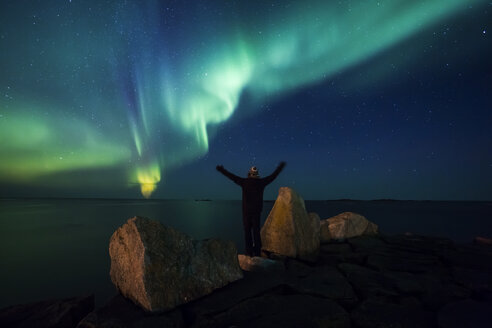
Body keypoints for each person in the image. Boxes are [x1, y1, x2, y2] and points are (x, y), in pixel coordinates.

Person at [216, 161, 286, 256]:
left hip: (246, 212)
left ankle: (249, 252)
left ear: (249, 173)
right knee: (256, 232)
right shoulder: (261, 182)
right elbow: (273, 176)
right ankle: (257, 252)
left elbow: (232, 177)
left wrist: (221, 170)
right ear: (257, 174)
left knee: (247, 232)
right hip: (257, 212)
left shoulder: (244, 182)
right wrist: (280, 167)